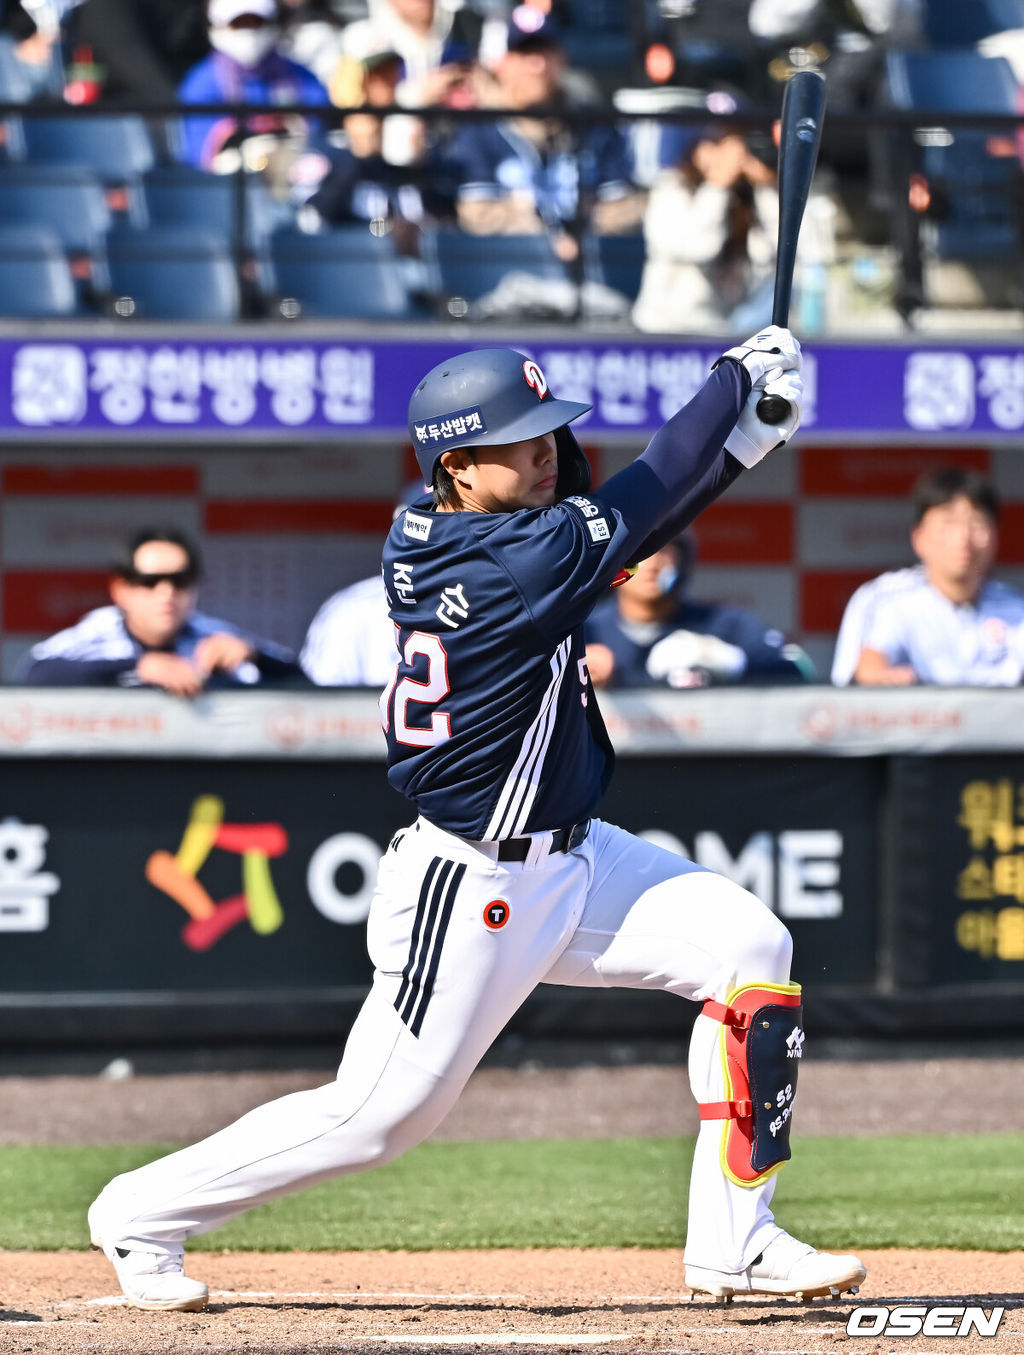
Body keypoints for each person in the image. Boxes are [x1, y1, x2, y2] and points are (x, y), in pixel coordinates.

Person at [87, 331, 868, 1312]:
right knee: (379, 1118)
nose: (547, 452)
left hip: (574, 858)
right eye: (521, 441)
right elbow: (642, 495)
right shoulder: (510, 561)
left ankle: (736, 1240)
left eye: (548, 434)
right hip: (471, 882)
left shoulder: (434, 520)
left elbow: (622, 504)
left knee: (749, 942)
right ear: (457, 463)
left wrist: (739, 441)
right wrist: (730, 393)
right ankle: (141, 1208)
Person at [448, 9, 641, 259]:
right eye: (525, 53)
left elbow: (625, 207)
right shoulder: (479, 130)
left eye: (545, 52)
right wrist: (545, 237)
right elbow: (475, 215)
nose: (537, 65)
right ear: (502, 63)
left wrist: (580, 234)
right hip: (512, 272)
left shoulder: (594, 124)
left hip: (591, 274)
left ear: (562, 58)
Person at [20, 526, 301, 695]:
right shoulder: (102, 629)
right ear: (121, 589)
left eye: (179, 581)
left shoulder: (210, 634)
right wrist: (137, 666)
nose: (166, 593)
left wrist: (255, 655)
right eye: (150, 581)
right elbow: (36, 673)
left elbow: (306, 681)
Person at [831, 466, 1024, 687]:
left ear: (995, 535)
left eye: (977, 523)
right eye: (948, 523)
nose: (962, 538)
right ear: (918, 537)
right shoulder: (885, 598)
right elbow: (866, 671)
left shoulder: (1017, 607)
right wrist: (888, 680)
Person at [586, 532, 813, 689]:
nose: (652, 563)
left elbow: (799, 670)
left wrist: (729, 660)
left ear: (682, 561)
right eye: (636, 553)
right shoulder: (585, 632)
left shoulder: (726, 623)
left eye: (664, 550)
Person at [177, 0, 330, 176]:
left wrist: (292, 135)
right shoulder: (202, 81)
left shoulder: (297, 75)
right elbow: (200, 147)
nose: (248, 31)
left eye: (257, 22)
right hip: (231, 188)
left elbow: (320, 120)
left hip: (295, 176)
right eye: (238, 24)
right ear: (217, 28)